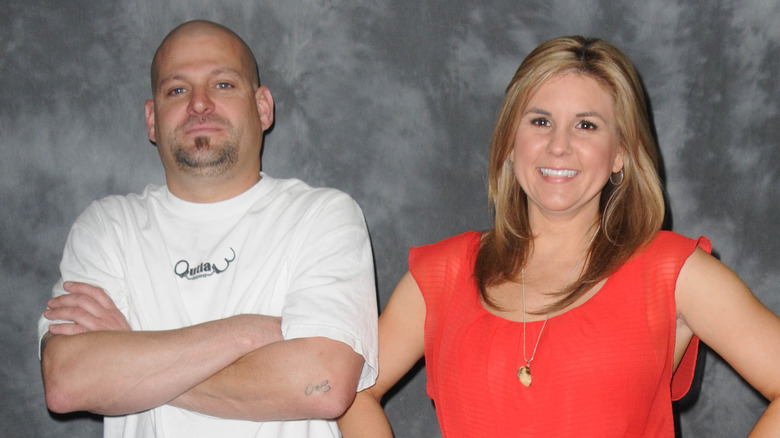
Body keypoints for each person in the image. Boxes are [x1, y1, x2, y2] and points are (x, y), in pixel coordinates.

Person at [337, 36, 780, 437]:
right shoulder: (442, 275)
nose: (559, 146)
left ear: (620, 154)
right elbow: (351, 391)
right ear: (511, 144)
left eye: (586, 125)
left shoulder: (671, 271)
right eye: (540, 121)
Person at [38, 20, 378, 438]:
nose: (199, 104)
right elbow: (67, 381)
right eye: (177, 90)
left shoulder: (323, 216)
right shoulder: (108, 227)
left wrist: (134, 353)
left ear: (263, 107)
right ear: (151, 118)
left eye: (222, 85)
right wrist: (251, 332)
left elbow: (323, 384)